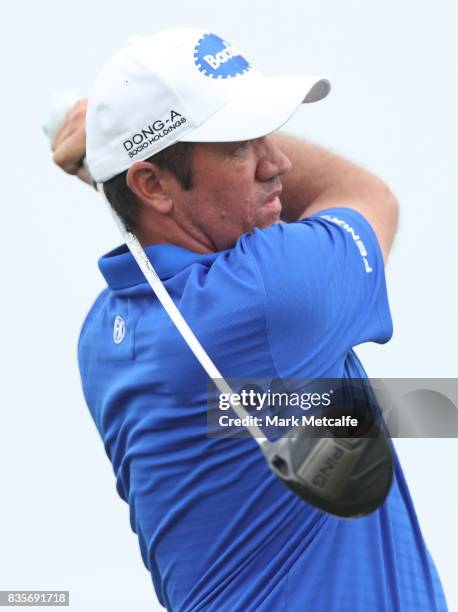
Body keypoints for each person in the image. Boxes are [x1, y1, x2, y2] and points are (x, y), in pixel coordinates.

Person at [51, 27, 447, 612]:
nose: (279, 161)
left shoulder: (105, 334)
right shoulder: (269, 294)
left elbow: (308, 407)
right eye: (240, 143)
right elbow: (364, 193)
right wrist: (110, 157)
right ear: (152, 184)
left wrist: (118, 161)